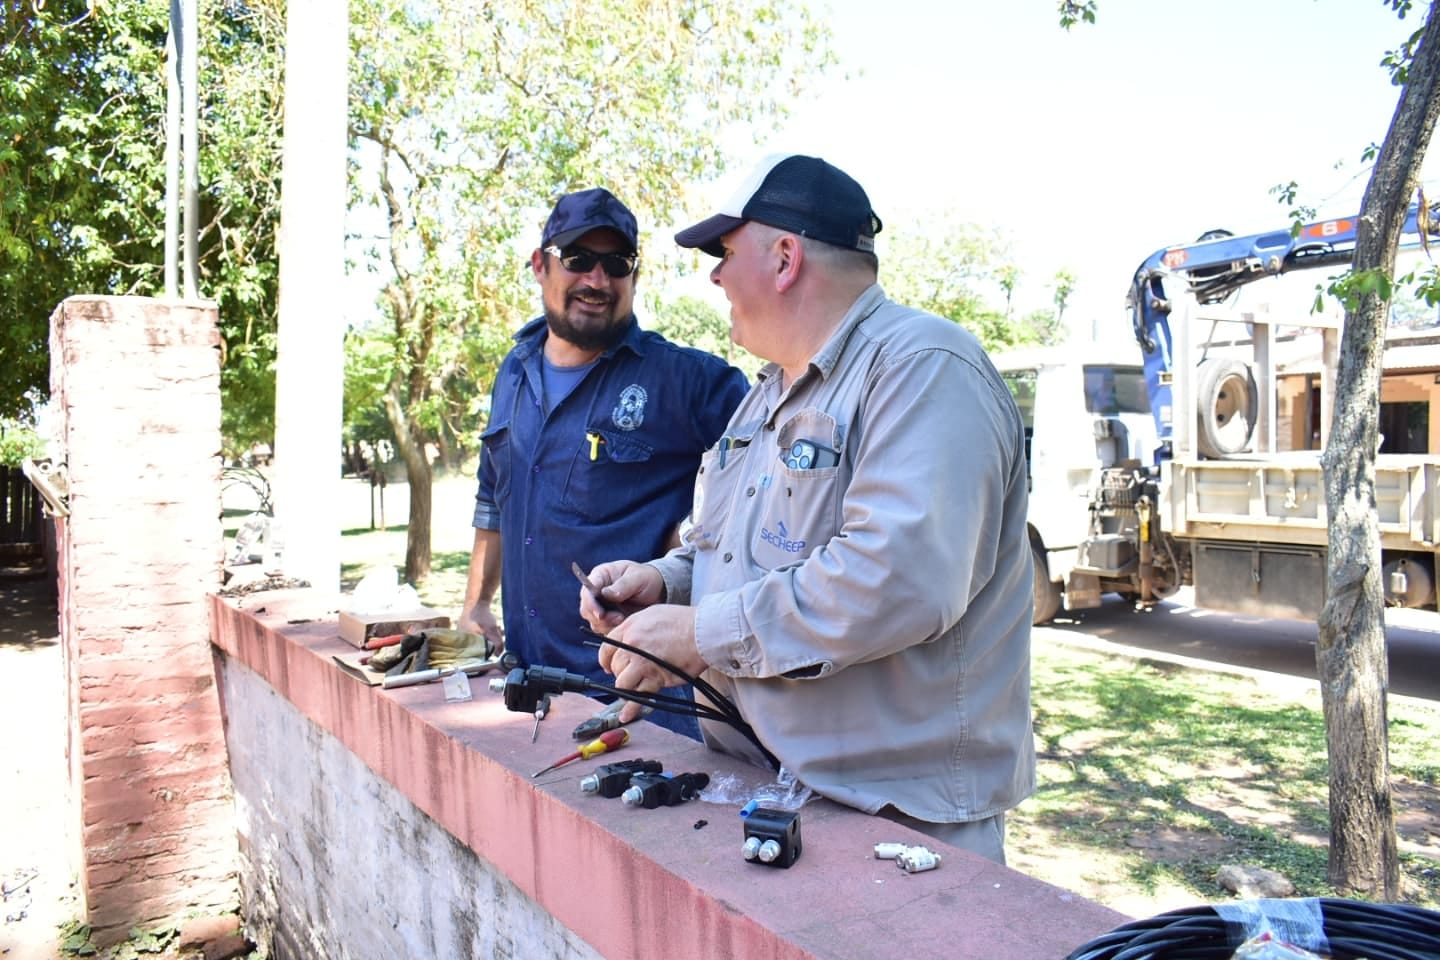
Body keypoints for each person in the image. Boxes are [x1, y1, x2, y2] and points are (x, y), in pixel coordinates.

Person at [579, 155, 1035, 862]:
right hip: (767, 792)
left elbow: (898, 579)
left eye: (726, 254)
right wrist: (666, 583)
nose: (716, 276)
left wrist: (702, 633)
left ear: (786, 257)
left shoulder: (923, 366)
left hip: (894, 820)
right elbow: (731, 547)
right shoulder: (766, 395)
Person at [461, 187, 749, 738]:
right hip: (530, 686)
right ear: (540, 265)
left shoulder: (692, 383)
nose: (597, 279)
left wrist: (681, 551)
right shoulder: (513, 372)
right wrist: (476, 605)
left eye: (617, 263)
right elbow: (490, 495)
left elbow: (766, 500)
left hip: (644, 705)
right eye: (579, 259)